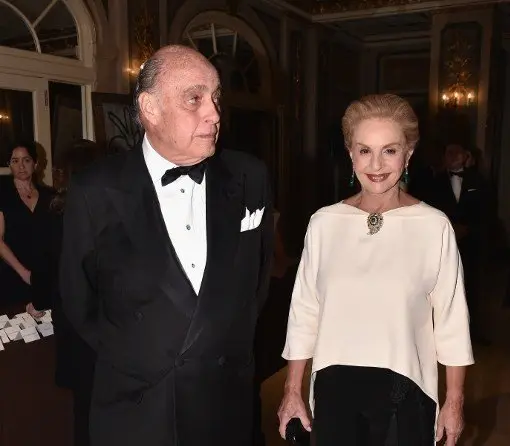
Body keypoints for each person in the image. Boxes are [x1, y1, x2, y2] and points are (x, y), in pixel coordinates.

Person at [60, 45, 274, 446]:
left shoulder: (250, 176)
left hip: (225, 403)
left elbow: (257, 283)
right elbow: (78, 298)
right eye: (194, 98)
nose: (214, 113)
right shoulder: (95, 189)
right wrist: (141, 356)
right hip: (137, 409)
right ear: (150, 109)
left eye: (215, 98)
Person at [278, 94, 474, 446]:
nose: (377, 163)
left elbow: (452, 321)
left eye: (390, 150)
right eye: (365, 150)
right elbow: (304, 311)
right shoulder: (324, 223)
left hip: (406, 390)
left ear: (408, 153)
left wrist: (454, 402)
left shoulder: (433, 226)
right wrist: (292, 391)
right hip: (333, 390)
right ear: (350, 153)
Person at [430, 143, 487, 344]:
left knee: (471, 286)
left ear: (466, 155)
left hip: (471, 243)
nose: (453, 155)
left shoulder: (478, 180)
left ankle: (471, 334)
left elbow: (485, 209)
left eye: (457, 152)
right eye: (449, 152)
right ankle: (442, 334)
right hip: (444, 242)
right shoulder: (435, 182)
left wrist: (468, 228)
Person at [0, 141, 53, 316]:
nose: (21, 166)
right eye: (15, 161)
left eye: (26, 160)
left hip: (43, 275)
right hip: (11, 274)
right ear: (9, 165)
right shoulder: (3, 193)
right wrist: (24, 273)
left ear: (36, 164)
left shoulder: (50, 196)